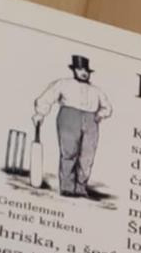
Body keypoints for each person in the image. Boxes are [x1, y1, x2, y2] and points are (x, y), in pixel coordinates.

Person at [33, 54, 112, 197]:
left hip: (91, 121)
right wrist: (40, 113)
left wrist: (100, 115)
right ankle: (67, 187)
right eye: (80, 69)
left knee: (87, 156)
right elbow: (47, 97)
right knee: (69, 153)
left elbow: (107, 107)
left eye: (86, 70)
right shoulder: (64, 84)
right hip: (69, 117)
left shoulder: (96, 90)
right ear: (74, 70)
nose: (83, 72)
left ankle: (81, 187)